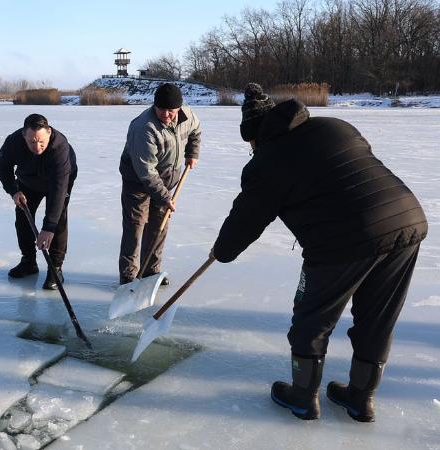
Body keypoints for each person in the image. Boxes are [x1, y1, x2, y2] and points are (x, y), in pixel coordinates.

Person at [211, 83, 427, 422]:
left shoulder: (267, 161)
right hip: (406, 221)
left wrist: (221, 252)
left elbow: (246, 219)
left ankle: (303, 396)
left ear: (256, 136)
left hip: (343, 240)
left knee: (312, 318)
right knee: (377, 318)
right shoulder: (333, 125)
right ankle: (360, 399)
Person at [118, 83, 201, 285]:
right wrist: (164, 198)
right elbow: (146, 172)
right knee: (135, 227)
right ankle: (128, 276)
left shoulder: (188, 116)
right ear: (155, 106)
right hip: (138, 182)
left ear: (179, 109)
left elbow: (196, 131)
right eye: (161, 109)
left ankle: (150, 271)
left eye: (171, 111)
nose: (166, 115)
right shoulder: (144, 128)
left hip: (167, 179)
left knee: (159, 226)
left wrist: (192, 153)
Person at [0, 114, 77, 290]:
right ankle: (28, 261)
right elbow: (3, 166)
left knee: (58, 220)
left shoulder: (60, 147)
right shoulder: (13, 142)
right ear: (23, 135)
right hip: (28, 179)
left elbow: (58, 188)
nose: (37, 147)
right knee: (23, 216)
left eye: (41, 141)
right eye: (32, 142)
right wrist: (14, 191)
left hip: (59, 180)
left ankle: (55, 268)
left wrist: (48, 228)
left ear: (49, 132)